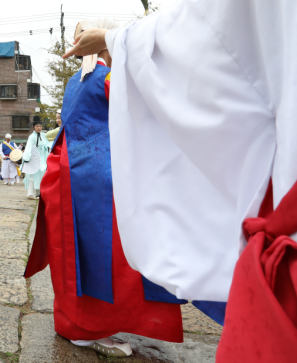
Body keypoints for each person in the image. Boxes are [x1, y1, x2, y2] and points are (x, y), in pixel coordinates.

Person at [63, 0, 297, 358]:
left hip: (92, 171)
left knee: (100, 258)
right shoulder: (87, 79)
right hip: (86, 173)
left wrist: (116, 40)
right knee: (93, 258)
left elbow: (187, 41)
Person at [27, 19, 183, 358]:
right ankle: (88, 329)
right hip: (98, 176)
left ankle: (75, 322)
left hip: (66, 173)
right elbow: (142, 114)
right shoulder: (110, 77)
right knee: (107, 254)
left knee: (74, 254)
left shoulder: (75, 80)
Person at [22, 116, 50, 200]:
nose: (39, 128)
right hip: (34, 157)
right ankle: (30, 194)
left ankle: (39, 193)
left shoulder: (43, 135)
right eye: (37, 126)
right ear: (33, 127)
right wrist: (27, 158)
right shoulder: (32, 136)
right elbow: (28, 147)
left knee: (42, 174)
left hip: (43, 157)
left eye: (40, 126)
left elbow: (49, 140)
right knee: (33, 175)